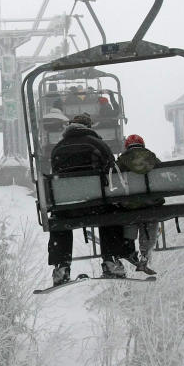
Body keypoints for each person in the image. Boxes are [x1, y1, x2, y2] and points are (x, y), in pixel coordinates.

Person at [47, 113, 122, 285]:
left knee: (59, 220)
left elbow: (55, 174)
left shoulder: (58, 147)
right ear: (89, 127)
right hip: (97, 204)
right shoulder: (98, 145)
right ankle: (110, 261)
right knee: (112, 215)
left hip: (68, 206)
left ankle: (61, 268)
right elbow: (112, 170)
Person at [117, 134, 161, 276]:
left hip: (128, 205)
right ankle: (145, 255)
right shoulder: (153, 159)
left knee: (128, 216)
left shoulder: (121, 161)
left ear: (126, 146)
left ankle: (129, 250)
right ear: (143, 144)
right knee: (150, 219)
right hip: (150, 203)